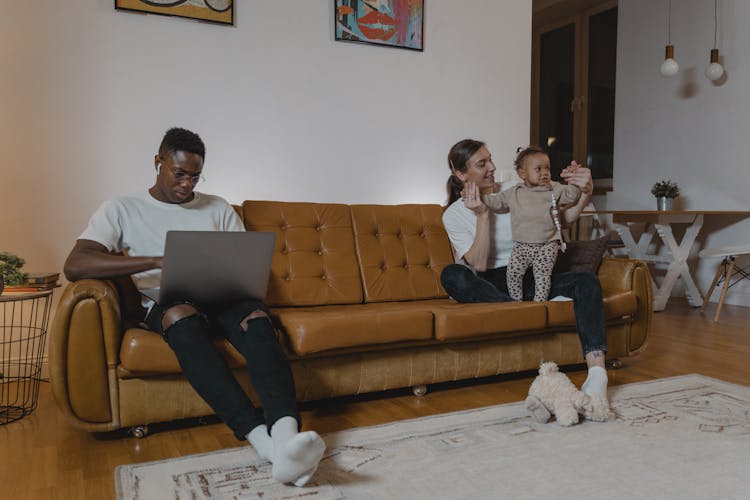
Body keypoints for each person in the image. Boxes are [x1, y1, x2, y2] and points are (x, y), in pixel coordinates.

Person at [63, 127, 325, 486]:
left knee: (258, 321)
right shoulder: (121, 208)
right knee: (182, 321)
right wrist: (154, 260)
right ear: (158, 163)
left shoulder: (217, 207)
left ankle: (285, 436)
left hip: (224, 296)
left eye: (195, 176)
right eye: (179, 173)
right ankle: (263, 443)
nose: (187, 184)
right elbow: (76, 264)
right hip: (169, 301)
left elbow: (242, 260)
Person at [440, 139, 609, 410]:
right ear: (461, 175)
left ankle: (598, 374)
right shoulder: (454, 215)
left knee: (586, 281)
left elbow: (559, 221)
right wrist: (483, 215)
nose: (493, 167)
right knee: (453, 275)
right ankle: (521, 308)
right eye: (482, 164)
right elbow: (479, 264)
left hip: (533, 276)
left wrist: (586, 191)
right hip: (491, 283)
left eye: (491, 159)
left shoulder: (517, 187)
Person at [481, 146, 581, 302]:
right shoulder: (515, 192)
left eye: (547, 168)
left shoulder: (553, 188)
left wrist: (574, 182)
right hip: (522, 246)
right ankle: (516, 302)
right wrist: (479, 197)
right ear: (523, 174)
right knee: (513, 274)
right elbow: (496, 202)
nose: (545, 173)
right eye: (539, 169)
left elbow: (571, 196)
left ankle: (538, 304)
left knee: (542, 277)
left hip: (547, 245)